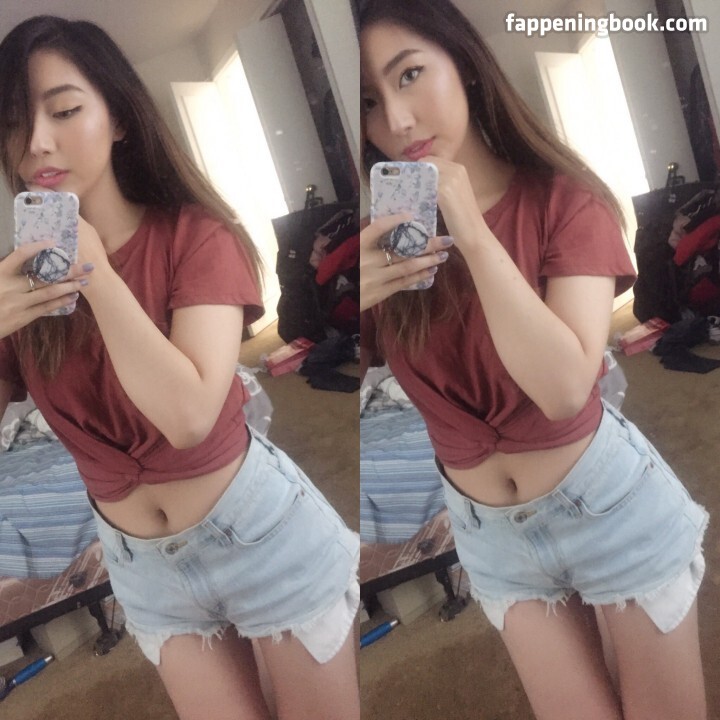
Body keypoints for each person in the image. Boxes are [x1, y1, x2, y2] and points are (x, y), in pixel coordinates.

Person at [0, 16, 359, 720]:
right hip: (143, 569)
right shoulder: (19, 284)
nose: (36, 141)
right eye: (14, 121)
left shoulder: (196, 237)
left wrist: (97, 275)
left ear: (118, 118)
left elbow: (190, 415)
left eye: (64, 111)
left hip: (258, 535)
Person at [358, 1, 709, 718]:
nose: (396, 120)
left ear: (466, 65)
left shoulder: (565, 202)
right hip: (490, 536)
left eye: (410, 74)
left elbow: (563, 388)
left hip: (606, 507)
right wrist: (358, 296)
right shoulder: (385, 244)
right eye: (368, 100)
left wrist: (474, 235)